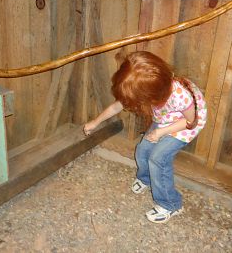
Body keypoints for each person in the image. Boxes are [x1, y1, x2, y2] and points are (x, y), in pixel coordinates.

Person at [84, 51, 207, 224]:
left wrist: (160, 132)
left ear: (151, 96)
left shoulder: (179, 96)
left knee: (158, 158)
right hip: (165, 119)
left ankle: (171, 204)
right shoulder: (143, 88)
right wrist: (95, 122)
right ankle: (146, 178)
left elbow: (191, 121)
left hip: (185, 125)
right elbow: (115, 107)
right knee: (142, 150)